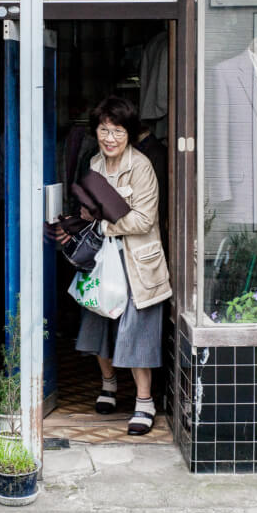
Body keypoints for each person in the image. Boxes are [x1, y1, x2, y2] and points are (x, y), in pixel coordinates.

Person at [73, 96, 172, 435]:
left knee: (137, 328)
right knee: (98, 320)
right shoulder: (94, 164)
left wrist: (103, 224)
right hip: (103, 260)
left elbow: (144, 220)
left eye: (117, 131)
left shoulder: (141, 166)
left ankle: (144, 403)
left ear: (128, 133)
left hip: (137, 262)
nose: (110, 138)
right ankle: (108, 383)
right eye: (104, 130)